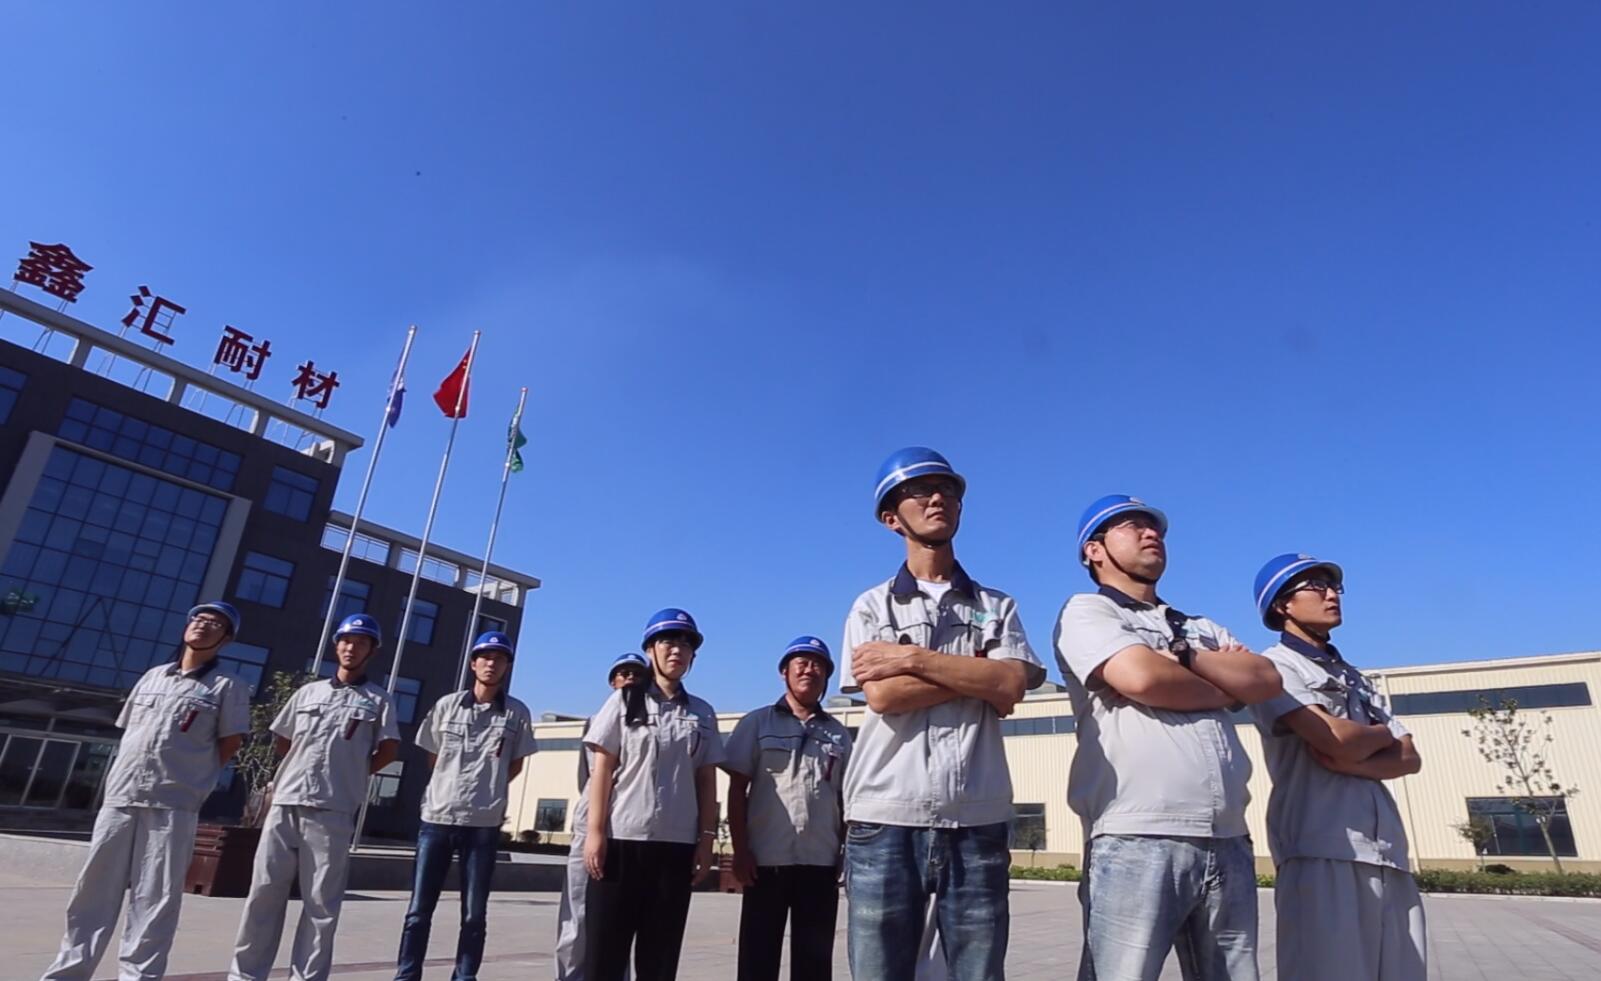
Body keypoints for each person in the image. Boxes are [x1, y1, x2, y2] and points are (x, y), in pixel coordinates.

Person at [1054, 495, 1283, 981]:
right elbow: (1141, 677)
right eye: (1131, 526)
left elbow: (1265, 679)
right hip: (1137, 835)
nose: (1150, 533)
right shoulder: (1087, 611)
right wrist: (1223, 686)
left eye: (1154, 526)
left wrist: (1180, 655)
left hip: (1227, 836)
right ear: (1094, 550)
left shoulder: (1197, 626)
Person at [842, 447, 1045, 981]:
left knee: (978, 972)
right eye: (920, 491)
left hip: (977, 819)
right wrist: (976, 671)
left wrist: (912, 659)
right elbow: (883, 697)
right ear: (892, 518)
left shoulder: (997, 605)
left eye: (948, 490)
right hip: (885, 816)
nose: (938, 498)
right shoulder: (872, 606)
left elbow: (1010, 684)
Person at [40, 602, 250, 981]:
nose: (202, 625)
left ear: (226, 638)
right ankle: (68, 972)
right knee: (92, 892)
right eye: (199, 618)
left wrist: (194, 780)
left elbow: (230, 743)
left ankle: (139, 975)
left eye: (215, 624)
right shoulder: (153, 676)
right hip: (121, 797)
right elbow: (131, 733)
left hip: (173, 803)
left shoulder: (227, 686)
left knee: (154, 899)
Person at [1250, 554, 1426, 980]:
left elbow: (1409, 757)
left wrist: (1361, 757)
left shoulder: (1356, 678)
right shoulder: (1275, 668)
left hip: (1387, 852)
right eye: (1315, 586)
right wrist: (1378, 737)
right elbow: (1333, 740)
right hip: (1322, 846)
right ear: (1282, 605)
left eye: (1334, 587)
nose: (1331, 595)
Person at [228, 613, 401, 981]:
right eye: (346, 641)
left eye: (361, 643)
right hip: (286, 802)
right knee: (263, 893)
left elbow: (387, 750)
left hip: (333, 809)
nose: (351, 648)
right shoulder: (308, 693)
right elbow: (284, 740)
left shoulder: (379, 700)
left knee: (321, 904)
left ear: (372, 651)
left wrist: (350, 774)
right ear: (336, 645)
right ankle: (246, 975)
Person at [582, 609, 724, 981]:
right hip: (622, 842)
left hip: (675, 848)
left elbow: (706, 780)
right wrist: (595, 833)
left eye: (685, 644)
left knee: (659, 956)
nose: (677, 650)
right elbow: (602, 770)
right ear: (650, 649)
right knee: (604, 953)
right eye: (668, 641)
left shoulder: (702, 713)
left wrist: (706, 841)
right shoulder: (623, 701)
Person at [394, 631, 537, 981]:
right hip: (438, 819)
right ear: (473, 663)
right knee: (418, 911)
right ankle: (407, 975)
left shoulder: (517, 713)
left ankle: (464, 976)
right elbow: (433, 757)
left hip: (483, 825)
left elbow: (515, 764)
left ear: (507, 667)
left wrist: (488, 790)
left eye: (499, 659)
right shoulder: (447, 706)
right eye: (485, 657)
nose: (491, 664)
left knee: (474, 915)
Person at [723, 636, 853, 981]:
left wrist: (844, 852)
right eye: (802, 663)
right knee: (757, 959)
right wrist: (740, 851)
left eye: (818, 665)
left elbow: (846, 799)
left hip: (820, 863)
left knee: (814, 963)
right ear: (784, 672)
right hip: (765, 861)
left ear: (826, 677)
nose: (810, 670)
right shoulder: (757, 723)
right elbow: (737, 790)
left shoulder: (838, 734)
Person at [554, 652, 649, 981]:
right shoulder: (595, 720)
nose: (630, 679)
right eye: (623, 673)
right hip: (589, 825)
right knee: (576, 914)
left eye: (637, 674)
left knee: (618, 919)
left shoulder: (650, 720)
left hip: (626, 826)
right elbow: (588, 777)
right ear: (612, 682)